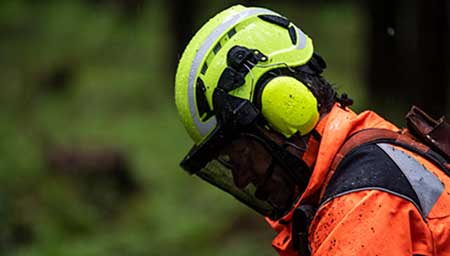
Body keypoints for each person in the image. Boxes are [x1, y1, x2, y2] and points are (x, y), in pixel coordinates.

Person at [174, 5, 450, 256]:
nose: (240, 178)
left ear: (285, 106)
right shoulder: (370, 163)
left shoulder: (366, 203)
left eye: (242, 153)